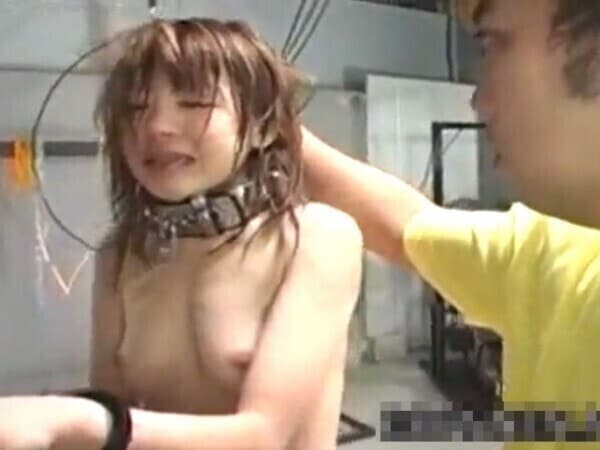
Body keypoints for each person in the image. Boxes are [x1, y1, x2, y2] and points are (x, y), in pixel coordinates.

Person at [0, 17, 363, 450]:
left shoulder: (316, 238)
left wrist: (72, 417)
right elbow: (111, 426)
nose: (156, 127)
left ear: (262, 127)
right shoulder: (119, 254)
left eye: (193, 102)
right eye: (136, 107)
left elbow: (263, 435)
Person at [301, 0, 600, 448]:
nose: (478, 99)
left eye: (493, 44)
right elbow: (406, 226)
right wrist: (272, 129)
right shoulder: (557, 252)